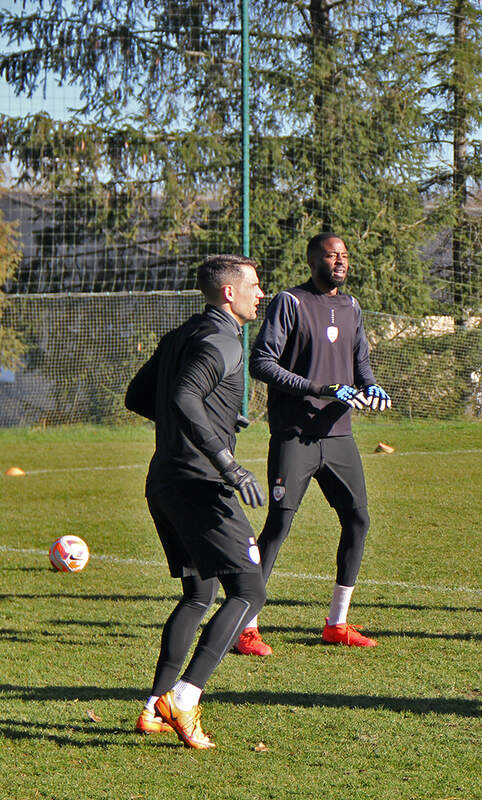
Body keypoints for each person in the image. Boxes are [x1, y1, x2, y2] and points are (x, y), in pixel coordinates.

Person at [124, 253, 268, 749]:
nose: (260, 292)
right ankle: (182, 700)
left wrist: (219, 416)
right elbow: (185, 398)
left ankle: (152, 707)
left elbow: (139, 398)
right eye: (253, 284)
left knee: (199, 595)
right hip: (200, 485)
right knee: (250, 591)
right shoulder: (222, 339)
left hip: (163, 480)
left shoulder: (181, 333)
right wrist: (227, 460)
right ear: (229, 293)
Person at [235, 232, 392, 655]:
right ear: (313, 260)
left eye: (344, 255)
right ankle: (246, 628)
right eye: (331, 255)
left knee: (358, 521)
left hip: (339, 436)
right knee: (279, 526)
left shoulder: (352, 306)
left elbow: (361, 363)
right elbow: (261, 363)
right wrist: (321, 387)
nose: (339, 261)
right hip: (295, 436)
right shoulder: (291, 302)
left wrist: (372, 387)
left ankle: (337, 623)